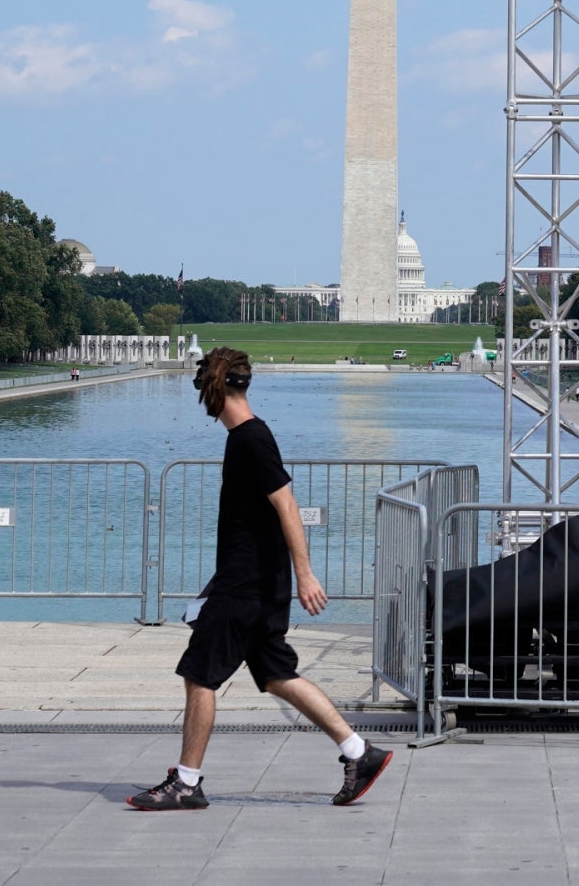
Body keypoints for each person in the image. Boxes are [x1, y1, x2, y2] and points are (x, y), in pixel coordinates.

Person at [127, 348, 394, 812]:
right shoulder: (246, 437)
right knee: (276, 675)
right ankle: (359, 752)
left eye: (200, 387)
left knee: (200, 675)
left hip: (246, 585)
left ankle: (186, 783)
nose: (200, 398)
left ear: (215, 387)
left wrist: (305, 573)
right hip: (256, 582)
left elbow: (286, 504)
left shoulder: (251, 438)